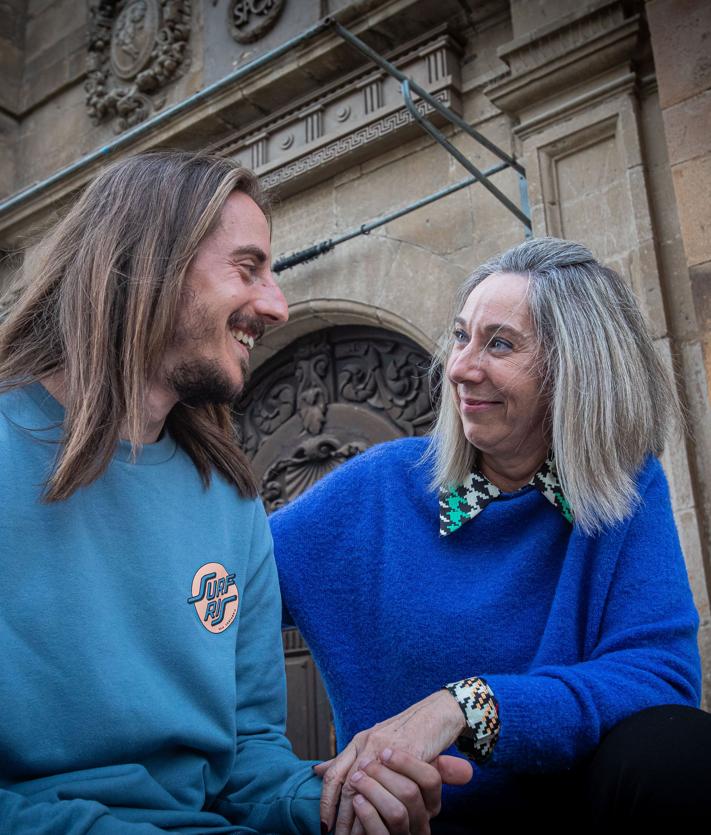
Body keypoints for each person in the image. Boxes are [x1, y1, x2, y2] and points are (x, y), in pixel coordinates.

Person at [0, 151, 471, 834]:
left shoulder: (230, 497)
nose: (276, 305)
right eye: (247, 268)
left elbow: (249, 758)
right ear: (146, 265)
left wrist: (336, 801)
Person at [271, 237, 711, 828]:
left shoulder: (623, 488)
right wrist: (268, 780)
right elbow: (223, 589)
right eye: (460, 337)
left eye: (498, 344)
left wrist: (468, 705)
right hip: (417, 824)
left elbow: (659, 678)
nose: (459, 367)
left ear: (572, 370)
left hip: (578, 815)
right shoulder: (382, 485)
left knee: (678, 748)